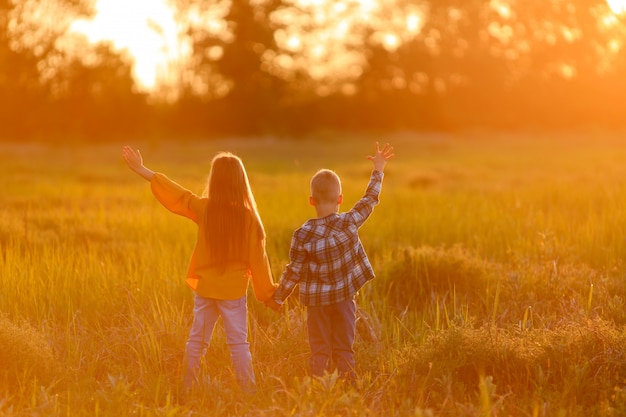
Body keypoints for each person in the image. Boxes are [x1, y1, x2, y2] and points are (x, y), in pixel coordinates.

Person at [122, 145, 277, 394]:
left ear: (214, 181)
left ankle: (186, 388)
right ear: (241, 182)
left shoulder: (205, 209)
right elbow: (258, 262)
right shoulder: (249, 219)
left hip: (206, 289)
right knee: (239, 344)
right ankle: (249, 393)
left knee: (197, 342)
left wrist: (142, 169)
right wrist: (270, 294)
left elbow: (178, 195)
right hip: (232, 293)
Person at [268, 142, 394, 381]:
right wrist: (378, 168)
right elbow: (370, 199)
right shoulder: (349, 222)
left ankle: (318, 390)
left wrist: (278, 298)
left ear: (311, 200)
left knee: (319, 350)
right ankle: (349, 388)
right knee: (344, 349)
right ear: (340, 199)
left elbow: (293, 272)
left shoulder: (302, 235)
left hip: (317, 305)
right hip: (345, 300)